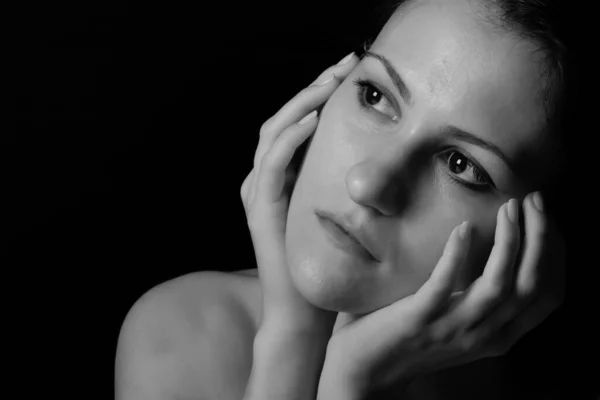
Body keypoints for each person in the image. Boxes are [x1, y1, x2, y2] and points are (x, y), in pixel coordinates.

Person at [115, 0, 576, 398]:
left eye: (462, 166)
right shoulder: (183, 337)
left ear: (546, 236)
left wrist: (354, 384)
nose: (368, 185)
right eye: (375, 95)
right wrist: (293, 338)